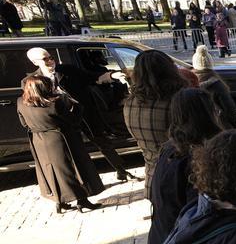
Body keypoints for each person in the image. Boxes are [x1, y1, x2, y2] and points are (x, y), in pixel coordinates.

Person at [25, 47, 138, 182]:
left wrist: (112, 75)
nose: (50, 61)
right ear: (35, 62)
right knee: (71, 150)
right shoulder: (31, 81)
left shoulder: (68, 70)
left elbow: (91, 77)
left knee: (102, 141)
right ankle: (79, 183)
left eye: (51, 57)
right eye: (45, 59)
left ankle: (121, 170)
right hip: (62, 120)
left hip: (84, 113)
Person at [146, 88, 222, 244]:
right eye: (214, 109)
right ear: (206, 116)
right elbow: (200, 216)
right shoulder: (195, 158)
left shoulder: (169, 150)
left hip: (161, 242)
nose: (218, 113)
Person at [17, 76, 104, 213]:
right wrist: (76, 106)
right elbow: (73, 120)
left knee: (50, 171)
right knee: (73, 169)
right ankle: (82, 200)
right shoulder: (54, 104)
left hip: (38, 141)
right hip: (60, 139)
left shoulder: (21, 102)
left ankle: (59, 201)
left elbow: (24, 123)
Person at [124, 49, 191, 197]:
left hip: (153, 180)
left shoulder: (130, 103)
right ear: (170, 70)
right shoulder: (177, 101)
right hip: (182, 183)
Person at [191, 45, 236, 128]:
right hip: (217, 129)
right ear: (210, 63)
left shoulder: (187, 84)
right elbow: (230, 110)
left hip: (196, 130)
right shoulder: (217, 85)